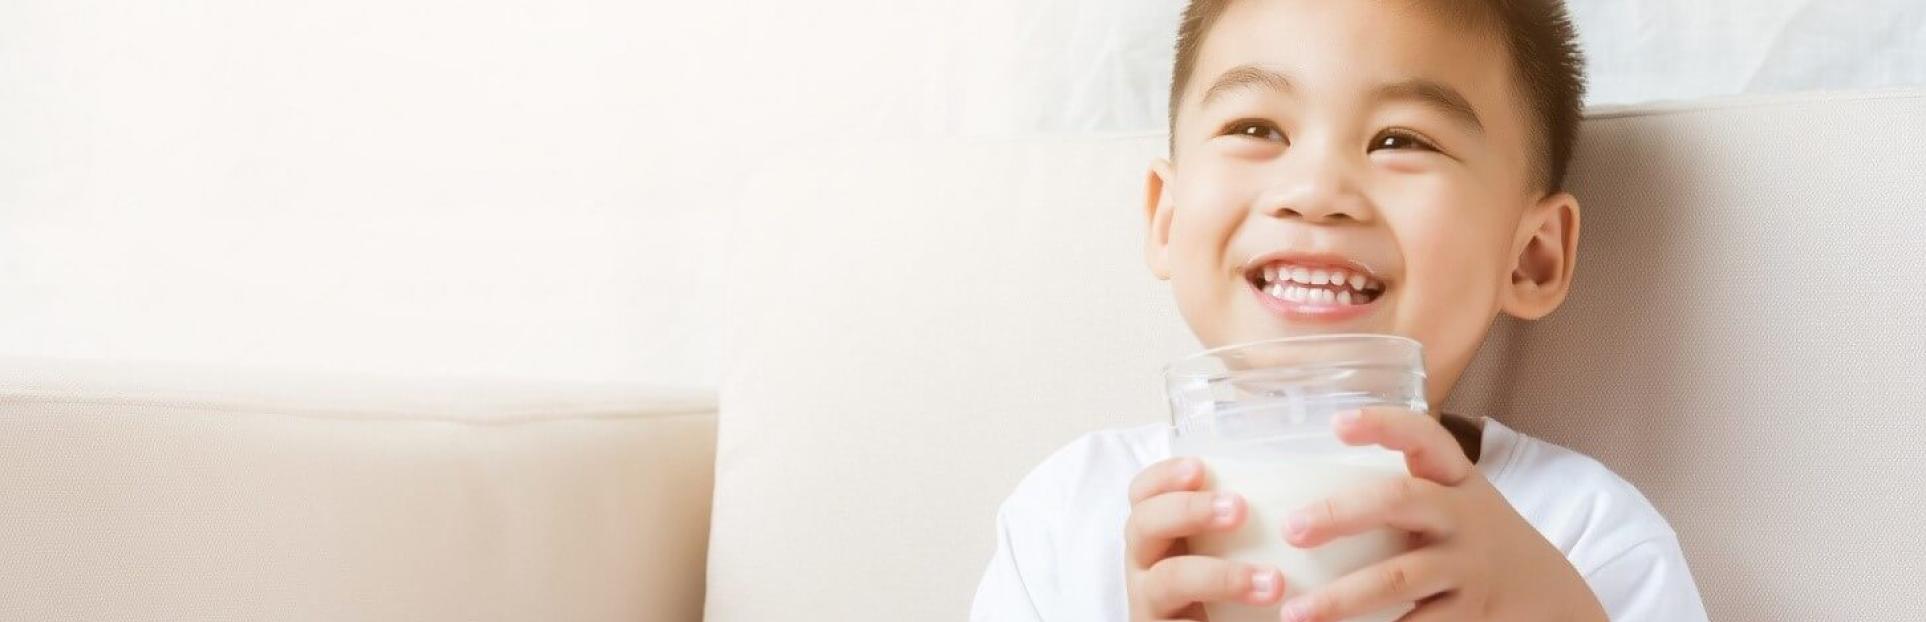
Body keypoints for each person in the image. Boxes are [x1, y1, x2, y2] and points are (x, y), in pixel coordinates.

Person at [970, 1, 1709, 620]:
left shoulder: (1582, 535)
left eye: (1401, 140)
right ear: (1167, 218)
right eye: (1256, 130)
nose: (1316, 189)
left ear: (1531, 256)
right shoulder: (1071, 518)